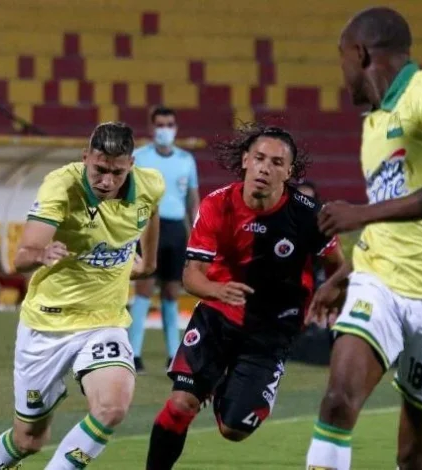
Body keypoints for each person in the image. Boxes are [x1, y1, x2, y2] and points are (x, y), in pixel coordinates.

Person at [304, 7, 422, 470]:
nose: (342, 73)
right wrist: (344, 275)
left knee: (415, 457)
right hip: (381, 284)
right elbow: (392, 221)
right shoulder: (374, 124)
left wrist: (359, 214)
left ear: (361, 53)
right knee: (337, 402)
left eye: (342, 59)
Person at [145, 123, 345, 470]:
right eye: (259, 158)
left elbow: (339, 267)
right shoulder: (217, 204)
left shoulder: (308, 214)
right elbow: (191, 276)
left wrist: (332, 292)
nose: (265, 168)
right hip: (217, 317)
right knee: (180, 406)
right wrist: (217, 290)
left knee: (234, 429)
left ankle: (227, 383)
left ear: (289, 172)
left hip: (272, 329)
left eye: (277, 163)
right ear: (245, 161)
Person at [0, 122, 164, 470]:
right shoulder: (61, 186)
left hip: (104, 322)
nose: (106, 181)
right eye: (99, 169)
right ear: (85, 158)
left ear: (131, 165)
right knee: (29, 439)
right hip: (48, 324)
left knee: (112, 408)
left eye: (117, 172)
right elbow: (21, 257)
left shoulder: (150, 184)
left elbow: (150, 210)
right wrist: (42, 253)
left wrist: (149, 262)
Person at [128, 106, 200, 373]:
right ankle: (133, 354)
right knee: (144, 290)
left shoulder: (186, 160)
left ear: (176, 128)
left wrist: (197, 234)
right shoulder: (139, 157)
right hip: (147, 226)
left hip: (176, 230)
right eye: (160, 124)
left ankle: (173, 354)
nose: (164, 129)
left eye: (169, 124)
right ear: (151, 127)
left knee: (172, 292)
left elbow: (193, 200)